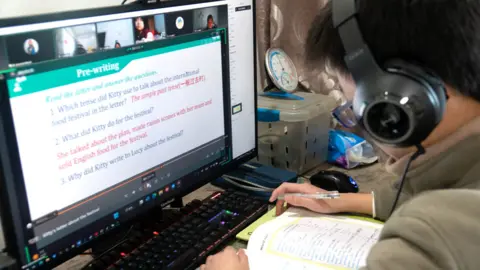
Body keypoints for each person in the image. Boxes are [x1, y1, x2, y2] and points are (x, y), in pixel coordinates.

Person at [201, 0, 480, 269]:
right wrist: (341, 200)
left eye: (360, 109)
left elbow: (442, 218)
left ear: (400, 100)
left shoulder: (433, 237)